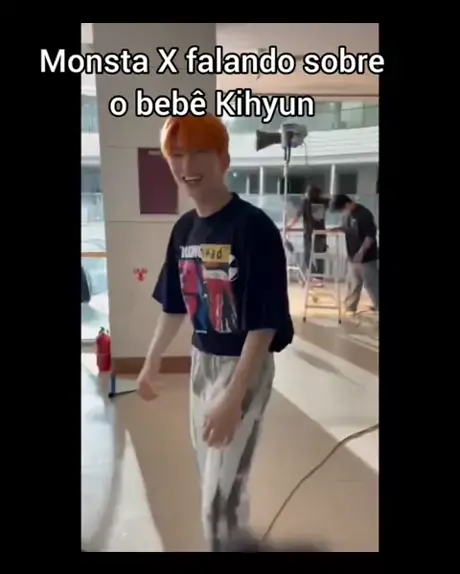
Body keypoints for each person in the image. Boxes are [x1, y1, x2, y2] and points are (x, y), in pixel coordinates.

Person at [136, 114, 294, 552]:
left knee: (219, 499)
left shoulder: (253, 227)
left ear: (224, 159)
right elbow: (174, 304)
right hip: (201, 363)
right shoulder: (184, 229)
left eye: (200, 152)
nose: (187, 165)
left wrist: (234, 395)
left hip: (243, 365)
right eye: (177, 154)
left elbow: (264, 322)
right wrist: (150, 363)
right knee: (214, 479)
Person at [330, 194, 379, 315]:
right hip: (352, 255)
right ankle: (350, 308)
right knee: (353, 283)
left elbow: (370, 236)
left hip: (366, 257)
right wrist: (336, 229)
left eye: (342, 209)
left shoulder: (364, 214)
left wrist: (361, 252)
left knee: (372, 285)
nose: (342, 212)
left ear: (347, 204)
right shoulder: (346, 215)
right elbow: (346, 228)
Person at [286, 184, 329, 285]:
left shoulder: (306, 202)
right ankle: (319, 278)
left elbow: (297, 216)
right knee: (319, 257)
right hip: (321, 233)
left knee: (307, 257)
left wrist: (288, 226)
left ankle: (315, 276)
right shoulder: (323, 202)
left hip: (310, 234)